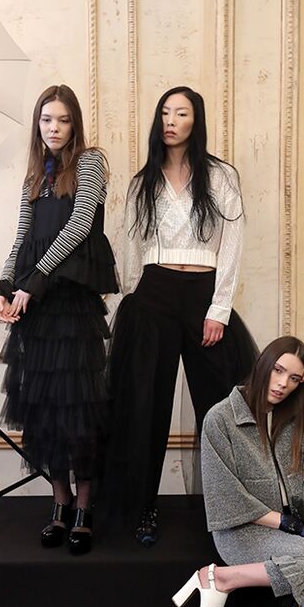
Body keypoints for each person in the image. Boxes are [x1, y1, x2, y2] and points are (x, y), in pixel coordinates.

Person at [104, 86, 258, 546]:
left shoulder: (221, 176)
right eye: (165, 113)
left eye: (182, 113)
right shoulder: (143, 181)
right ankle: (143, 508)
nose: (171, 121)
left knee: (219, 408)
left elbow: (232, 244)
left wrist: (219, 309)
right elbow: (132, 248)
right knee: (145, 407)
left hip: (203, 295)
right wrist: (131, 304)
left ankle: (231, 511)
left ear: (196, 121)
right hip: (153, 295)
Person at [0, 84, 118, 555]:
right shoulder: (34, 174)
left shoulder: (89, 162)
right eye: (47, 120)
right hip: (37, 306)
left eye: (63, 120)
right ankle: (60, 503)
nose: (54, 128)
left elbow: (79, 226)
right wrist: (4, 287)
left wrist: (35, 282)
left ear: (75, 123)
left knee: (78, 411)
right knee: (44, 412)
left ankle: (84, 507)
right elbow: (21, 238)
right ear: (38, 124)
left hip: (70, 302)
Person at [172, 335, 304, 607]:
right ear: (263, 365)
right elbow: (227, 499)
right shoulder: (221, 419)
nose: (283, 384)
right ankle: (222, 579)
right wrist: (302, 530)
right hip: (245, 531)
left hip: (293, 520)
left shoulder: (297, 415)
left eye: (294, 378)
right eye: (278, 370)